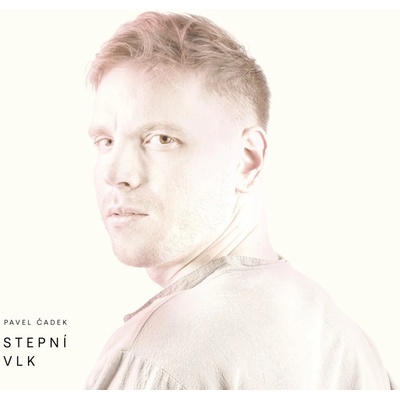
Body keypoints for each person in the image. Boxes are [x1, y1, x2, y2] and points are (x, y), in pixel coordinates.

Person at [84, 11, 395, 389]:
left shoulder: (156, 356)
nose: (115, 172)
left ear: (248, 159)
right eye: (105, 141)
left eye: (162, 139)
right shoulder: (349, 343)